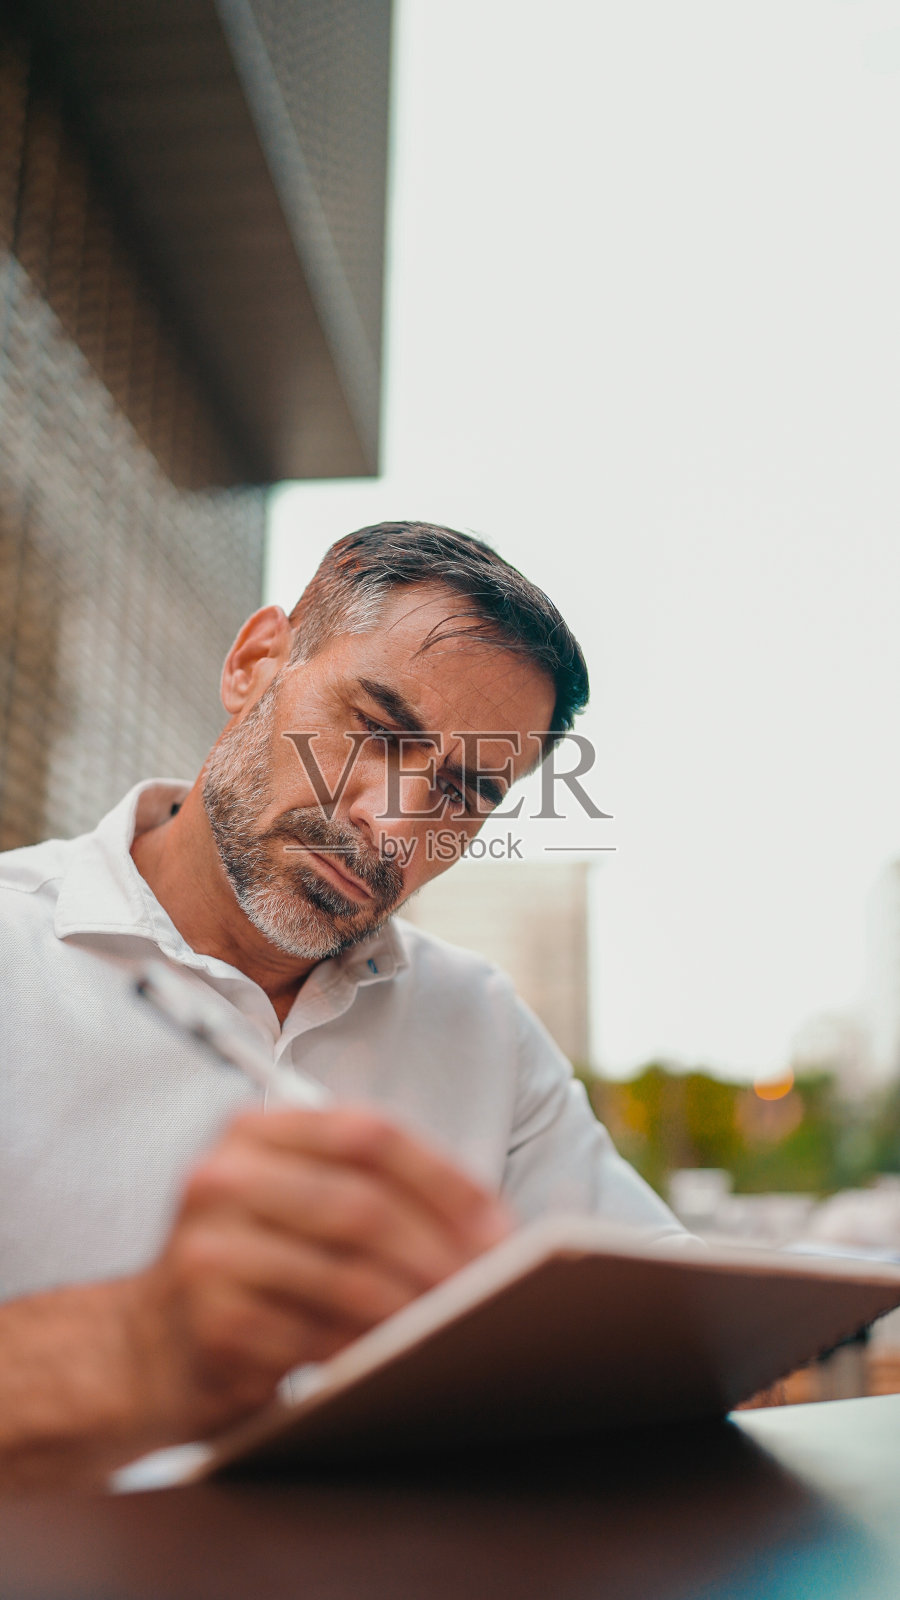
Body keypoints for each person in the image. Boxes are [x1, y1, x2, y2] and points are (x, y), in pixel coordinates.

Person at [0, 521, 681, 1487]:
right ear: (254, 664)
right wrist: (140, 1348)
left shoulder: (483, 1028)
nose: (395, 827)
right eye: (379, 729)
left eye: (465, 790)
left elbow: (671, 1337)